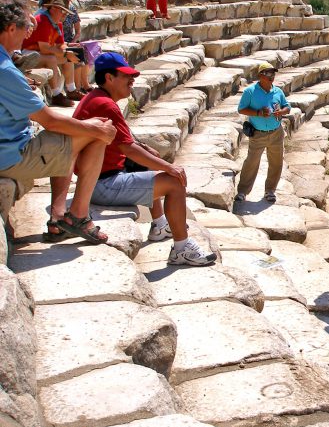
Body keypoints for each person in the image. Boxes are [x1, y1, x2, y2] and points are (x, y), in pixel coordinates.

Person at [59, 52, 216, 266]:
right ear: (109, 78)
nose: (132, 81)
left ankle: (160, 224)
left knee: (149, 158)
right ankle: (182, 249)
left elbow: (127, 144)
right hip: (103, 185)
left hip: (99, 179)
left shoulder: (97, 98)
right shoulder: (106, 105)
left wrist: (150, 154)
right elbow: (128, 148)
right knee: (174, 183)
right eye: (126, 76)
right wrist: (170, 168)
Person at [0, 0, 116, 244]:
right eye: (24, 29)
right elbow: (49, 121)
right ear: (10, 28)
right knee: (97, 134)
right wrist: (92, 127)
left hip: (7, 145)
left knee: (76, 134)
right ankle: (77, 216)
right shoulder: (4, 70)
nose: (26, 35)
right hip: (9, 155)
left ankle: (59, 217)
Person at [235, 61, 290, 203]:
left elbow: (287, 107)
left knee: (276, 162)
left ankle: (270, 190)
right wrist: (258, 113)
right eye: (268, 73)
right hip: (258, 133)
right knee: (251, 162)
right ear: (260, 75)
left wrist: (281, 111)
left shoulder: (278, 91)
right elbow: (241, 109)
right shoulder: (250, 92)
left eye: (273, 73)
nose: (271, 76)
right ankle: (242, 191)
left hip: (276, 132)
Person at [22, 0, 83, 106]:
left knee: (68, 59)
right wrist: (65, 53)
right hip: (27, 53)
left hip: (38, 53)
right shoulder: (42, 21)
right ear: (54, 9)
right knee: (51, 59)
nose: (65, 16)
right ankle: (56, 95)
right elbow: (44, 48)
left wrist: (69, 50)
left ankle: (71, 90)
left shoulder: (57, 24)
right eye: (63, 12)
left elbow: (60, 44)